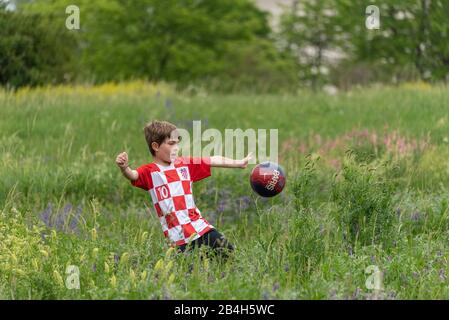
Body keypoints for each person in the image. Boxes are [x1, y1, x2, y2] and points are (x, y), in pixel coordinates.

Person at [115, 120, 252, 260]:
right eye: (171, 143)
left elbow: (213, 159)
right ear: (155, 146)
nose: (176, 147)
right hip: (178, 237)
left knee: (228, 253)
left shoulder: (185, 164)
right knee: (191, 270)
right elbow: (133, 175)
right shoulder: (150, 172)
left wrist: (239, 163)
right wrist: (124, 168)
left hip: (199, 227)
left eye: (177, 143)